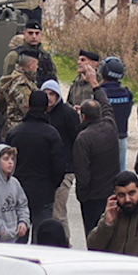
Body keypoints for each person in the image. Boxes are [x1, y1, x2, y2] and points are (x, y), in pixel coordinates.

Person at [5, 89, 66, 233]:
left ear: (28, 105)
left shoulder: (14, 133)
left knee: (18, 235)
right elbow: (59, 165)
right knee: (41, 237)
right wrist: (53, 185)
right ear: (46, 107)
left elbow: (5, 161)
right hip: (43, 191)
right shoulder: (51, 134)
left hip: (18, 190)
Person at [73, 75, 120, 238]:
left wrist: (82, 196)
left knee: (94, 237)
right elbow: (106, 104)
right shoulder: (110, 126)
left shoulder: (83, 138)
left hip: (92, 198)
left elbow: (82, 172)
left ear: (83, 116)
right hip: (111, 193)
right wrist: (95, 85)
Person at [86, 171, 138, 259]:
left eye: (131, 193)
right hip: (117, 271)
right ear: (115, 195)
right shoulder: (113, 213)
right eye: (121, 195)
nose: (127, 199)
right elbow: (93, 248)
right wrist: (107, 224)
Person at [42, 79, 81, 241]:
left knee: (59, 211)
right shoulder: (41, 113)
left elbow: (76, 140)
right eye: (46, 94)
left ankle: (65, 243)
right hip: (45, 169)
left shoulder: (67, 113)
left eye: (53, 94)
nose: (49, 98)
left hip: (65, 169)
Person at [99, 55, 134, 171]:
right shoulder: (127, 93)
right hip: (121, 136)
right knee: (121, 173)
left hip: (103, 138)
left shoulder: (100, 93)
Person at [1, 15, 57, 87]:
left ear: (41, 35)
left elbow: (53, 79)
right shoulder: (15, 55)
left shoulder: (45, 55)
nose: (34, 36)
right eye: (30, 33)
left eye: (37, 33)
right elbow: (6, 81)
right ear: (24, 34)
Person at [0, 51, 40, 133]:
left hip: (10, 126)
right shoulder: (21, 83)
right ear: (30, 65)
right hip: (19, 129)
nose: (37, 67)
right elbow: (26, 108)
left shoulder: (11, 77)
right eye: (36, 64)